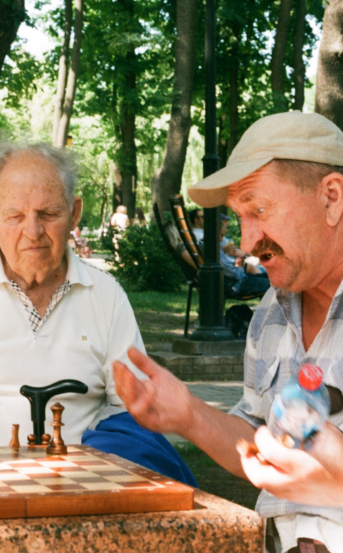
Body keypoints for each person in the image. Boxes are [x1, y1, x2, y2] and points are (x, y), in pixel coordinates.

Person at [0, 140, 196, 486]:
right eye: (15, 216)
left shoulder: (106, 295)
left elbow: (132, 417)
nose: (32, 232)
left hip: (84, 493)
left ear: (74, 213)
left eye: (48, 214)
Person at [113, 111, 343, 553]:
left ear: (331, 198)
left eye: (259, 209)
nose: (249, 241)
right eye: (240, 216)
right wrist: (188, 414)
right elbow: (255, 438)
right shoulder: (272, 311)